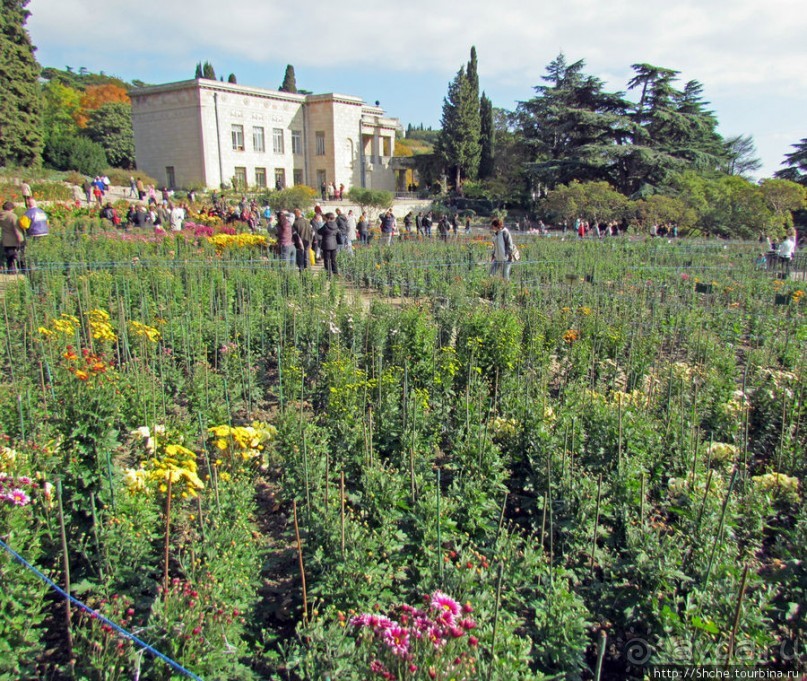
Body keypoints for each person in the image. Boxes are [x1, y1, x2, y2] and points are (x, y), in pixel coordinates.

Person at [1, 201, 25, 273]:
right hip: (14, 239)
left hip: (5, 239)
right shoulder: (12, 216)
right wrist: (21, 240)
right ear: (11, 208)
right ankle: (22, 269)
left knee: (9, 257)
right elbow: (16, 229)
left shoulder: (1, 215)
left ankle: (11, 270)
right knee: (17, 255)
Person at [318, 212, 340, 276]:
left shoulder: (326, 225)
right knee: (333, 259)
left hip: (326, 244)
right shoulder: (335, 225)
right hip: (334, 244)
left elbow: (319, 231)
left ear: (328, 218)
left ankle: (328, 273)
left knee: (327, 260)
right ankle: (335, 272)